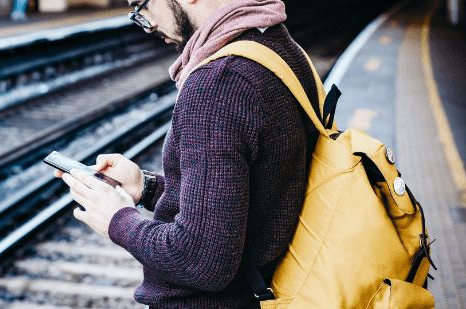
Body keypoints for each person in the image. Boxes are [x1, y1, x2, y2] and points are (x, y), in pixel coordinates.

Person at [55, 0, 321, 307]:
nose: (148, 23)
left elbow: (200, 261)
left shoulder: (219, 84)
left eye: (142, 5)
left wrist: (118, 220)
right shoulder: (278, 48)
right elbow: (251, 197)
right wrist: (146, 187)